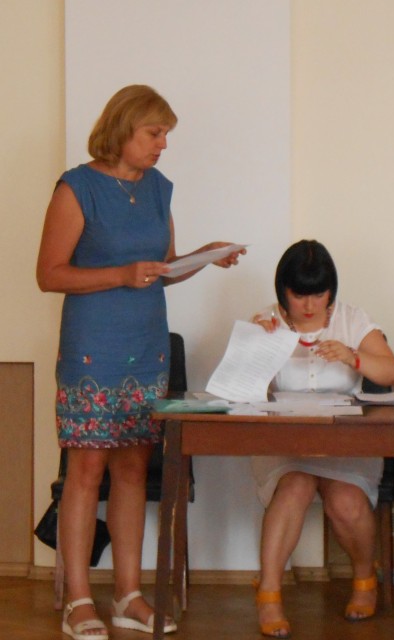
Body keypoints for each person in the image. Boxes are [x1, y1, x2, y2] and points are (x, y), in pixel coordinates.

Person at [36, 84, 245, 640]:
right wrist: (120, 275)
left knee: (132, 468)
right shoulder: (76, 187)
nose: (163, 145)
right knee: (86, 471)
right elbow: (49, 274)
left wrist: (204, 258)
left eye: (166, 134)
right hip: (92, 348)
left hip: (146, 344)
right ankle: (79, 600)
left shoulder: (158, 188)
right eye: (155, 133)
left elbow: (162, 268)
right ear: (123, 128)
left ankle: (129, 595)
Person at [250, 239, 394, 638]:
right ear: (283, 291)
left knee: (345, 500)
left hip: (345, 441)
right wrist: (254, 346)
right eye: (299, 295)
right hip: (286, 441)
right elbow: (242, 389)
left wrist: (354, 357)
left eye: (319, 294)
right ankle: (269, 594)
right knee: (295, 487)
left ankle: (365, 579)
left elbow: (392, 372)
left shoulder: (352, 319)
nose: (309, 305)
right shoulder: (268, 322)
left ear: (331, 291)